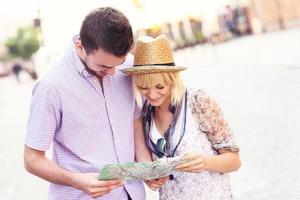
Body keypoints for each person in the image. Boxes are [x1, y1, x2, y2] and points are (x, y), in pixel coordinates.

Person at [24, 7, 153, 200]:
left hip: (132, 194)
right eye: (103, 66)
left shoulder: (126, 66)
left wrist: (147, 167)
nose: (112, 72)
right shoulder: (51, 87)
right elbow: (31, 159)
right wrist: (77, 181)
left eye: (119, 63)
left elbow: (134, 122)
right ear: (80, 46)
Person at [121, 34, 241, 199]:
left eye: (159, 86)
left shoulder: (198, 100)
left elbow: (234, 161)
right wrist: (151, 176)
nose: (152, 94)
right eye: (143, 87)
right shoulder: (146, 112)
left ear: (172, 79)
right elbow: (147, 163)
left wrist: (204, 162)